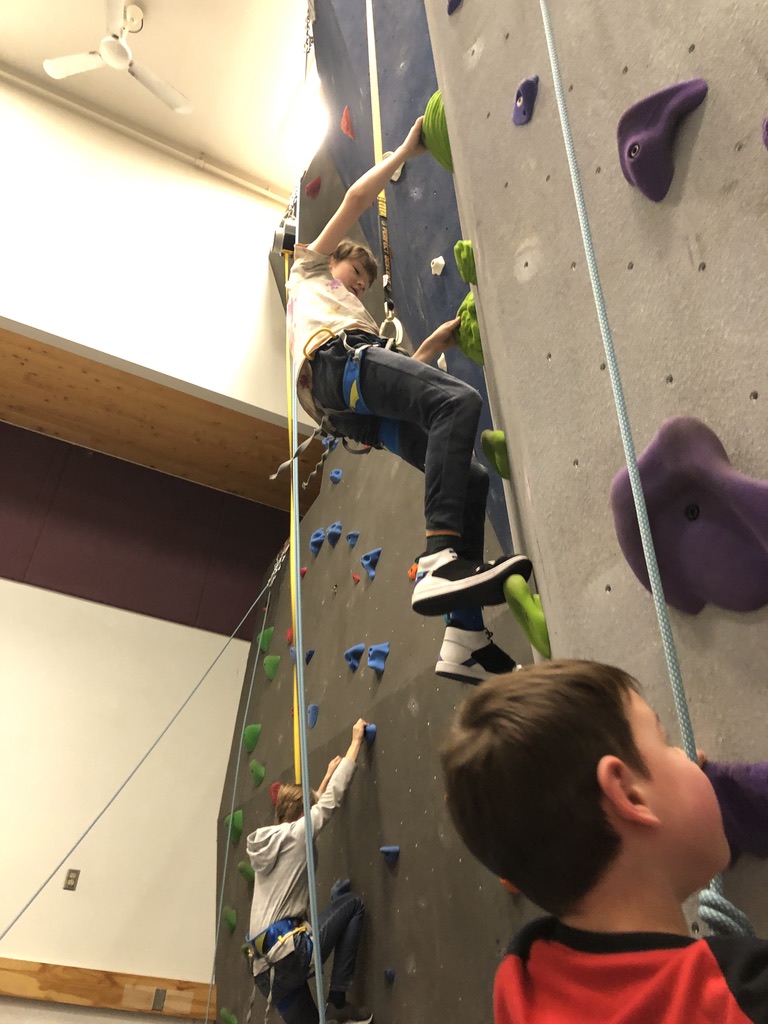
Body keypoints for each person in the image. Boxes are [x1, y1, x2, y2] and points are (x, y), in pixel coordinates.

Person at [286, 115, 532, 684]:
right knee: (458, 403)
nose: (358, 284)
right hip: (337, 368)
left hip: (354, 407)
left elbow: (397, 388)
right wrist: (403, 151)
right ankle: (439, 560)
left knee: (470, 479)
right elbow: (355, 198)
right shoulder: (308, 269)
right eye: (354, 273)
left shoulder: (353, 316)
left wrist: (434, 345)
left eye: (364, 284)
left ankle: (464, 638)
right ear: (333, 260)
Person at [440, 659, 768, 1024]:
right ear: (630, 795)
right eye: (666, 743)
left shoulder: (524, 980)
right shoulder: (738, 999)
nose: (687, 755)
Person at [247, 719, 371, 1024]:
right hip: (290, 954)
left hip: (264, 972)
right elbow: (327, 804)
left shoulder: (272, 840)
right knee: (353, 905)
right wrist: (355, 742)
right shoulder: (297, 835)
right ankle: (337, 1001)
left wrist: (326, 775)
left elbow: (310, 807)